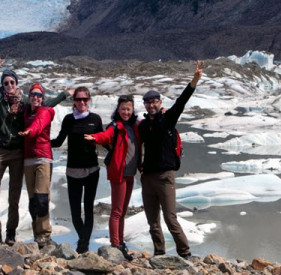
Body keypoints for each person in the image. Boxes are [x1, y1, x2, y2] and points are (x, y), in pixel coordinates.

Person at [0, 36, 70, 245]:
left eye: (12, 82)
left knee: (14, 194)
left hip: (18, 152)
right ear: (2, 85)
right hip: (0, 150)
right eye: (5, 83)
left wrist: (64, 94)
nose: (9, 85)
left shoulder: (23, 103)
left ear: (17, 84)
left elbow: (45, 103)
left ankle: (11, 232)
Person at [138, 61, 204, 259]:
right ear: (145, 105)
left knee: (170, 218)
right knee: (152, 221)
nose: (151, 105)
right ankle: (159, 253)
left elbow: (182, 101)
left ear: (159, 102)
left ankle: (185, 252)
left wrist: (194, 81)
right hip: (147, 178)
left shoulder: (168, 119)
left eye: (154, 101)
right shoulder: (142, 125)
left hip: (165, 176)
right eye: (148, 102)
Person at [85, 95, 141, 261]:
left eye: (128, 109)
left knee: (123, 211)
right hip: (119, 173)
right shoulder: (116, 126)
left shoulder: (135, 125)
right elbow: (106, 135)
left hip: (130, 174)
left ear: (132, 110)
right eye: (123, 109)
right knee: (117, 211)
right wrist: (95, 138)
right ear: (118, 110)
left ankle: (120, 242)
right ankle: (115, 244)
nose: (125, 112)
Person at [51, 86, 103, 253]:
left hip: (92, 170)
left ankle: (83, 245)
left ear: (89, 100)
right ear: (74, 101)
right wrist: (39, 140)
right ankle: (83, 240)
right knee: (74, 211)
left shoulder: (95, 119)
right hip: (73, 171)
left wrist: (120, 153)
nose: (82, 102)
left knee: (88, 209)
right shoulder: (68, 119)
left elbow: (104, 140)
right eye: (79, 99)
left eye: (85, 99)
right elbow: (59, 141)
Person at [18, 83, 55, 247]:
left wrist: (29, 132)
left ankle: (45, 234)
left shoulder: (45, 112)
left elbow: (38, 125)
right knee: (33, 200)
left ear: (42, 98)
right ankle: (37, 235)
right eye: (33, 94)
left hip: (42, 158)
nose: (35, 97)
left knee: (41, 197)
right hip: (28, 159)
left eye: (39, 95)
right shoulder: (26, 111)